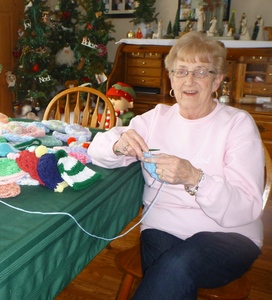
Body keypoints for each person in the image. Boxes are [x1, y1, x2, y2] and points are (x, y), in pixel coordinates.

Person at [88, 31, 264, 299]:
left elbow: (247, 207)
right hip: (163, 229)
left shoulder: (237, 124)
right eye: (180, 71)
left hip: (229, 235)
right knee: (172, 273)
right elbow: (98, 150)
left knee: (175, 267)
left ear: (217, 80)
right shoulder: (156, 118)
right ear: (171, 77)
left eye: (201, 71)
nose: (189, 80)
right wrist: (118, 144)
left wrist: (195, 178)